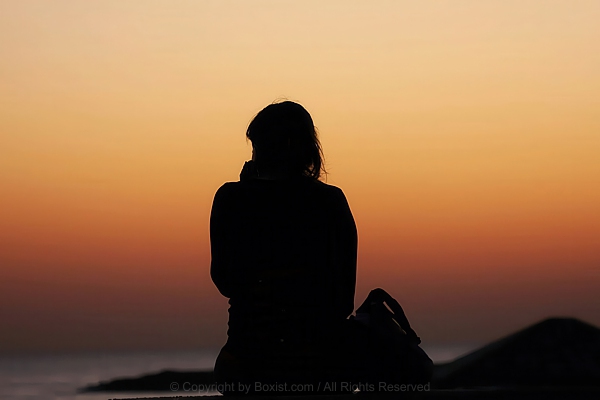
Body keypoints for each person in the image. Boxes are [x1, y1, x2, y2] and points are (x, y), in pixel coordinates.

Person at [210, 101, 431, 395]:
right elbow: (342, 302)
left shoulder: (231, 198)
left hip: (245, 364)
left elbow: (225, 281)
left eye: (257, 146)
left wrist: (248, 196)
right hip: (320, 365)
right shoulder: (330, 201)